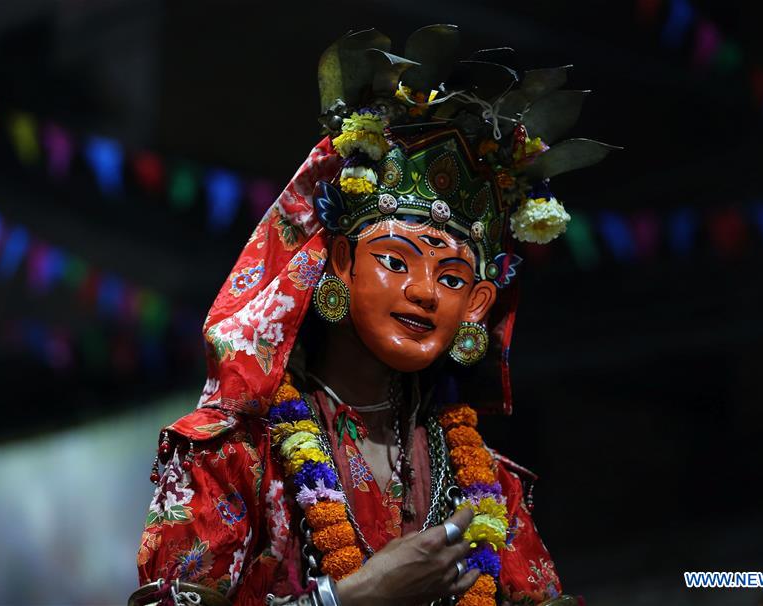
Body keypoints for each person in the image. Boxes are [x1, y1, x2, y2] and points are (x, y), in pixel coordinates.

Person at [133, 24, 613, 606]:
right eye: (395, 260)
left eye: (453, 278)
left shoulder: (488, 488)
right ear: (337, 264)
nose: (425, 292)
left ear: (478, 307)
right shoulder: (232, 457)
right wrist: (354, 598)